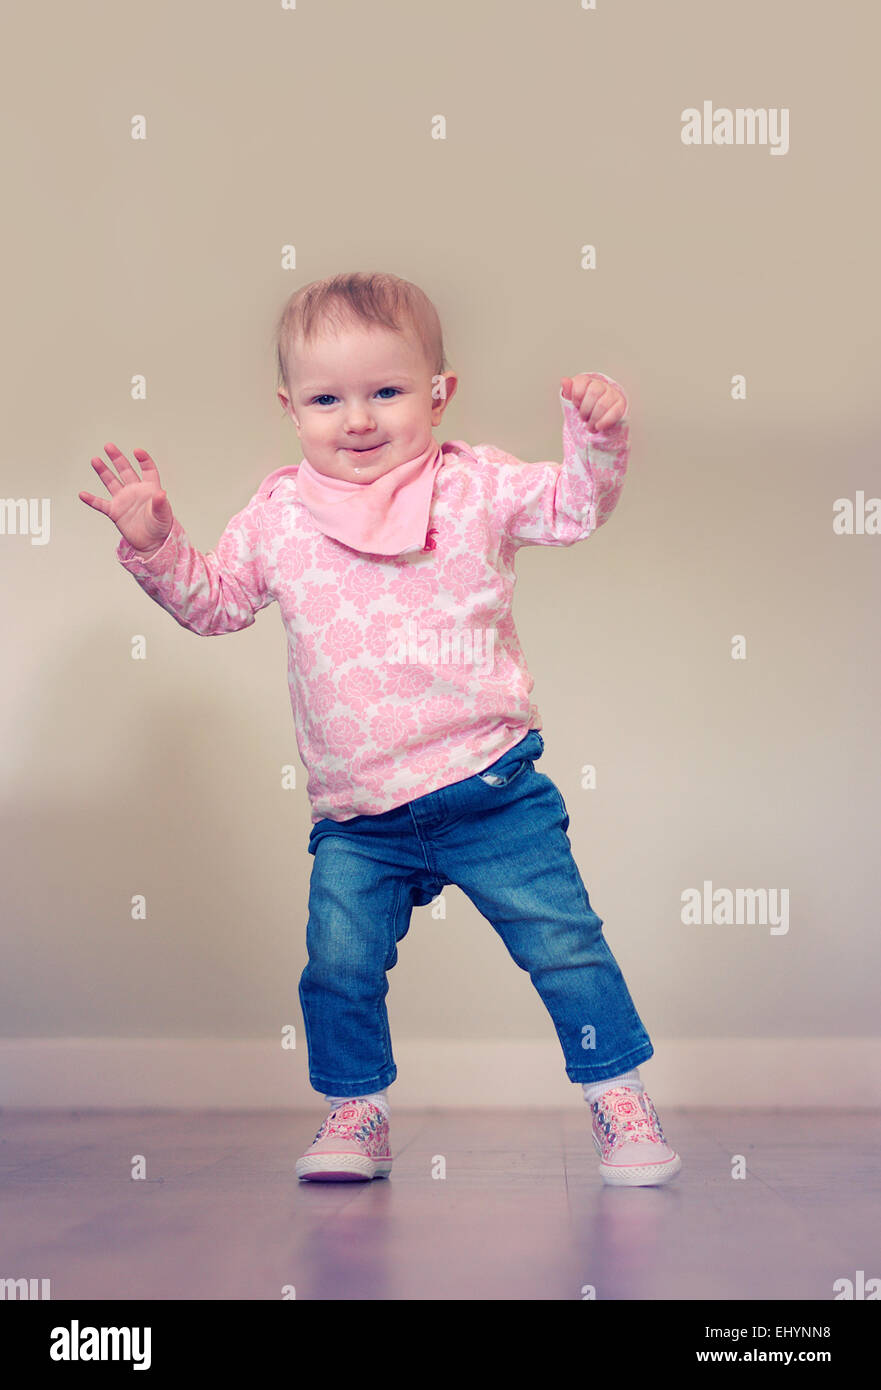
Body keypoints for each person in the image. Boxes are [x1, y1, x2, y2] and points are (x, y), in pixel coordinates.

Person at [79, 270, 681, 1188]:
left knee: (563, 944)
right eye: (327, 399)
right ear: (290, 408)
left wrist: (596, 438)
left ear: (439, 393)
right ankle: (356, 1112)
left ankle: (618, 1099)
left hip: (489, 786)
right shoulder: (279, 516)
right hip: (359, 814)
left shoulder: (473, 486)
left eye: (386, 392)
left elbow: (571, 509)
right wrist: (155, 542)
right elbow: (217, 605)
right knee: (337, 970)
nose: (356, 419)